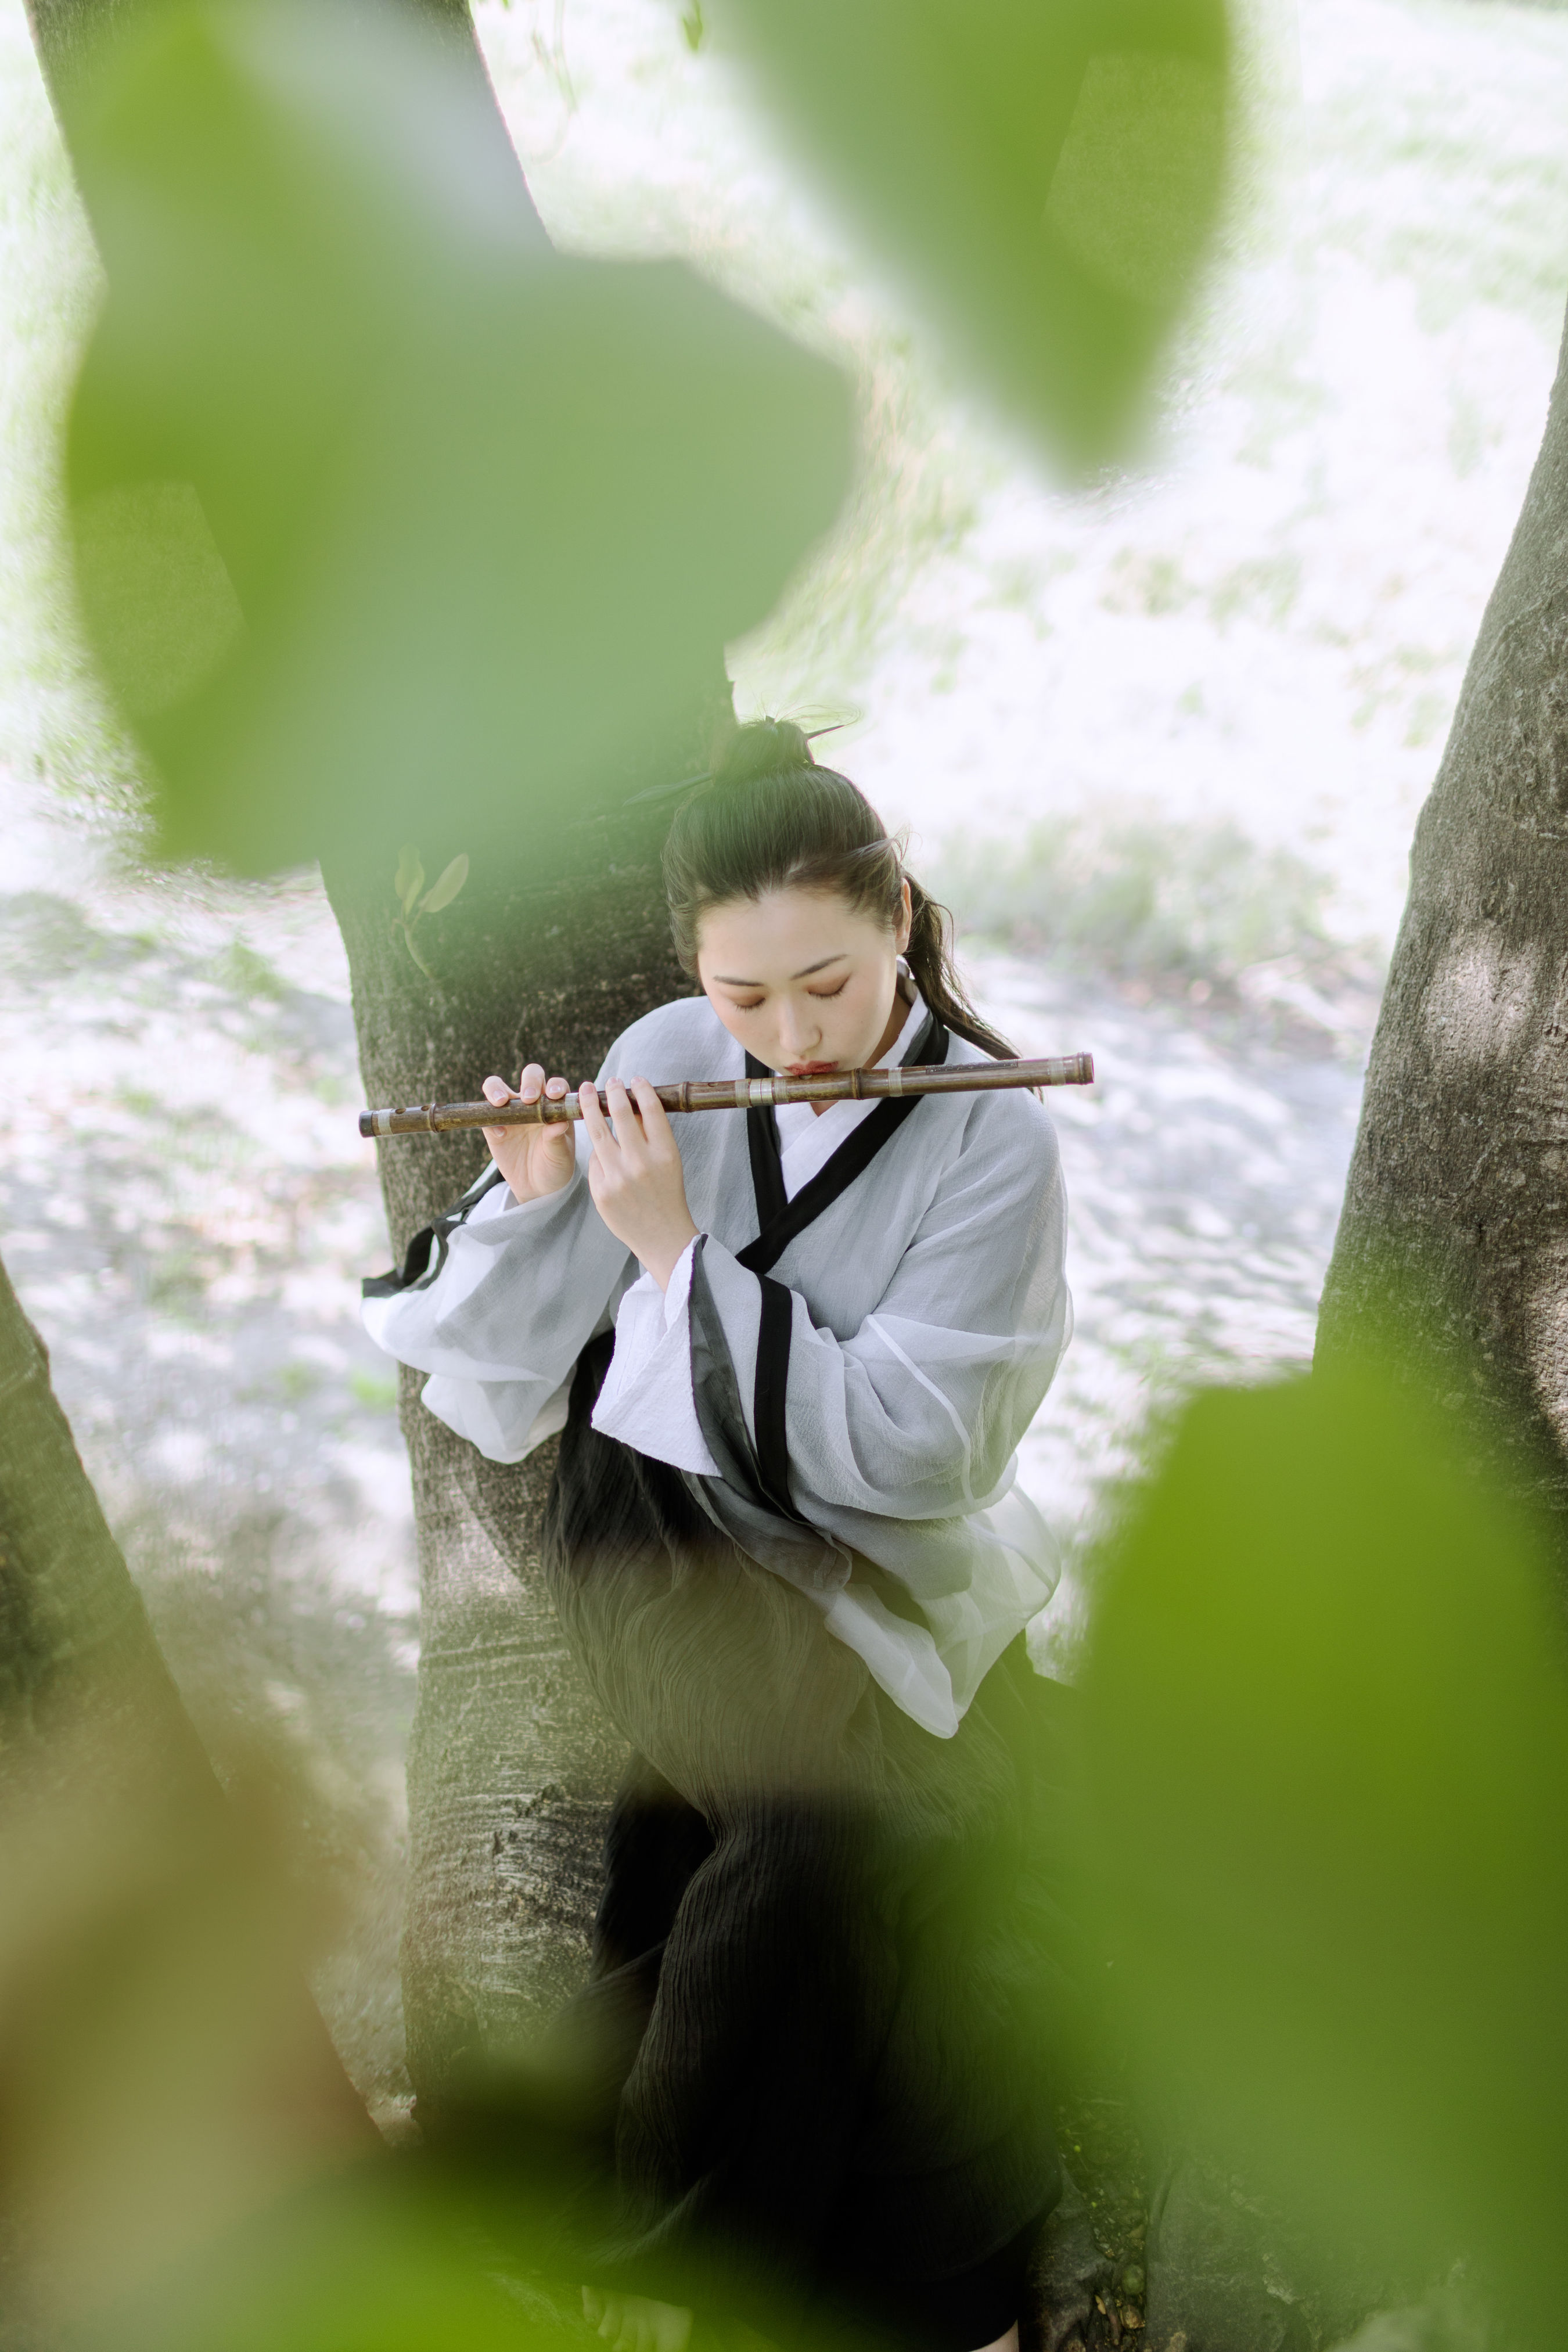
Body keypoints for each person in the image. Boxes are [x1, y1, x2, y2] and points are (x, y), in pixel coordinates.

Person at [364, 721, 1074, 2352]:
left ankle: (879, 2285)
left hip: (879, 1558)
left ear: (896, 912)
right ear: (694, 974)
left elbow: (924, 1446)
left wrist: (681, 1254)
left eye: (823, 984)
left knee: (893, 1886)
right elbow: (514, 1368)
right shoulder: (670, 1042)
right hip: (659, 1530)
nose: (785, 1035)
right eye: (742, 999)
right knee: (831, 1836)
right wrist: (544, 1189)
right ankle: (713, 2266)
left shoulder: (993, 1140)